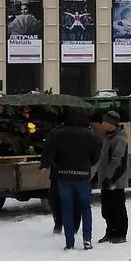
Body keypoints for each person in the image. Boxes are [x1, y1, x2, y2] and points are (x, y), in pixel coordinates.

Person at [41, 107, 99, 250]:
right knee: (85, 208)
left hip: (64, 176)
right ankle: (87, 240)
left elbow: (52, 153)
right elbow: (95, 157)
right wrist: (86, 164)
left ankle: (70, 243)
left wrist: (57, 164)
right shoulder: (90, 136)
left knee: (67, 208)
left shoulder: (59, 135)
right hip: (83, 177)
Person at [97, 110, 130, 244]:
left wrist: (109, 178)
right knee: (107, 209)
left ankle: (120, 234)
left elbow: (117, 161)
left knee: (117, 208)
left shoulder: (119, 139)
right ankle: (110, 232)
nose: (102, 123)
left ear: (111, 123)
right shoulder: (107, 137)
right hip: (106, 180)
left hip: (115, 181)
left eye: (105, 121)